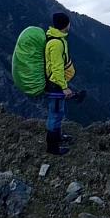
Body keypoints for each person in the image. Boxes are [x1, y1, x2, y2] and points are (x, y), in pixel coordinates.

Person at [45, 11, 75, 155]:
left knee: (58, 112)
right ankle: (53, 148)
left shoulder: (57, 38)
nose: (70, 25)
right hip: (55, 84)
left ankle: (58, 137)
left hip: (56, 83)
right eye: (69, 22)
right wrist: (64, 87)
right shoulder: (56, 43)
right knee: (55, 114)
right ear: (65, 25)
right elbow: (57, 68)